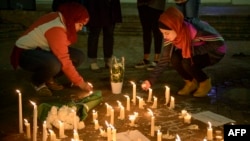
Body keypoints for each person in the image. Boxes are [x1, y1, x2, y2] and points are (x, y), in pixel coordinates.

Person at [10, 2, 93, 96]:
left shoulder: (62, 17)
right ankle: (37, 82)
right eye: (80, 24)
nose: (81, 28)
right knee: (55, 64)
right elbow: (64, 59)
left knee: (78, 56)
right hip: (24, 52)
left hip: (43, 48)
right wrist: (80, 83)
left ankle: (49, 77)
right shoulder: (57, 28)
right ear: (72, 19)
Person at [141, 6, 226, 97]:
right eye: (162, 33)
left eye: (167, 33)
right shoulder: (171, 36)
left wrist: (192, 51)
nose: (165, 36)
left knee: (187, 61)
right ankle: (191, 83)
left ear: (175, 27)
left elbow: (219, 42)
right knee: (174, 58)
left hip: (214, 52)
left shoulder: (197, 29)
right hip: (193, 49)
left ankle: (204, 82)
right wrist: (151, 80)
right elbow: (165, 59)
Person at [85, 0, 122, 71]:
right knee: (94, 35)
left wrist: (117, 17)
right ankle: (92, 61)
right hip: (95, 9)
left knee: (109, 35)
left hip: (110, 9)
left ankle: (108, 59)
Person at [135, 0, 166, 71]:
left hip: (156, 4)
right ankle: (146, 59)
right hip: (142, 3)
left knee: (157, 31)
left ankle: (156, 59)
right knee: (146, 30)